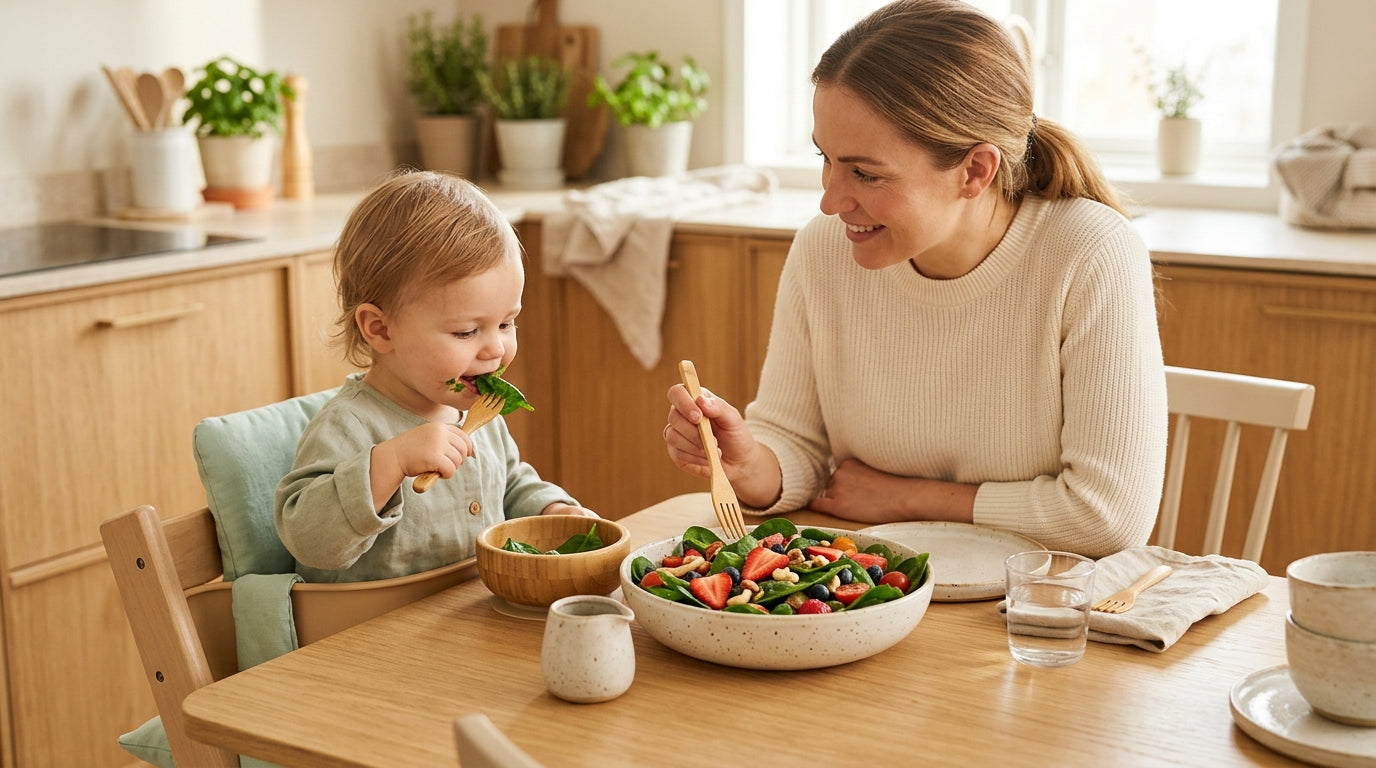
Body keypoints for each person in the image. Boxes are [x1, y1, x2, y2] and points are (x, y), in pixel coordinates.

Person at [663, 0, 1167, 559]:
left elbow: (1107, 517)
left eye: (865, 173)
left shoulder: (1090, 253)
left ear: (975, 171)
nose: (830, 201)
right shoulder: (824, 250)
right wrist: (749, 461)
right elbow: (798, 446)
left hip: (1031, 613)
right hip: (874, 590)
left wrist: (905, 499)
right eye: (825, 158)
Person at [277, 171, 595, 582]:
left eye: (506, 323)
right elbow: (309, 541)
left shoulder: (481, 412)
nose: (495, 349)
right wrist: (389, 463)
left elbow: (509, 485)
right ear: (380, 329)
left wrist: (552, 511)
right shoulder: (348, 425)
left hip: (469, 614)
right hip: (374, 635)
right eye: (466, 332)